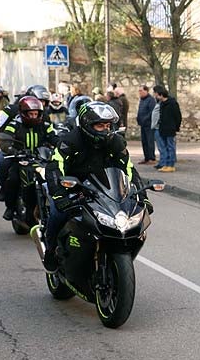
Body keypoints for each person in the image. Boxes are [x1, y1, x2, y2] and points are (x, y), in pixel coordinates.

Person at [42, 102, 143, 271]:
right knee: (57, 214)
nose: (105, 129)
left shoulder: (116, 142)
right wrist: (60, 195)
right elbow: (54, 167)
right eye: (99, 125)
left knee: (124, 219)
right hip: (72, 188)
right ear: (87, 125)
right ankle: (51, 251)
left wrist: (141, 196)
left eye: (108, 125)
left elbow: (129, 169)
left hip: (103, 189)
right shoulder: (70, 141)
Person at [0, 96, 58, 220]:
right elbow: (6, 137)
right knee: (13, 179)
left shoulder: (44, 124)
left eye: (36, 114)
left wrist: (62, 145)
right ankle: (10, 207)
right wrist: (10, 148)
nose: (34, 116)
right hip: (21, 159)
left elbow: (53, 137)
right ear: (23, 113)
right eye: (31, 114)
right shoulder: (15, 123)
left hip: (41, 159)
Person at [153, 85, 181, 172]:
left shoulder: (172, 103)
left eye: (156, 94)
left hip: (170, 128)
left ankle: (171, 164)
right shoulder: (162, 104)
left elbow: (178, 116)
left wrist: (176, 127)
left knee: (170, 146)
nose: (155, 96)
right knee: (164, 147)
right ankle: (165, 163)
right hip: (162, 129)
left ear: (160, 94)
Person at [136, 85, 157, 165]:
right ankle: (146, 157)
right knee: (144, 141)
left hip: (149, 124)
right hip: (143, 124)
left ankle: (152, 158)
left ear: (146, 91)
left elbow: (152, 112)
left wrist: (145, 119)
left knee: (149, 141)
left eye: (141, 90)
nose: (139, 92)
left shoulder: (150, 100)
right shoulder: (142, 100)